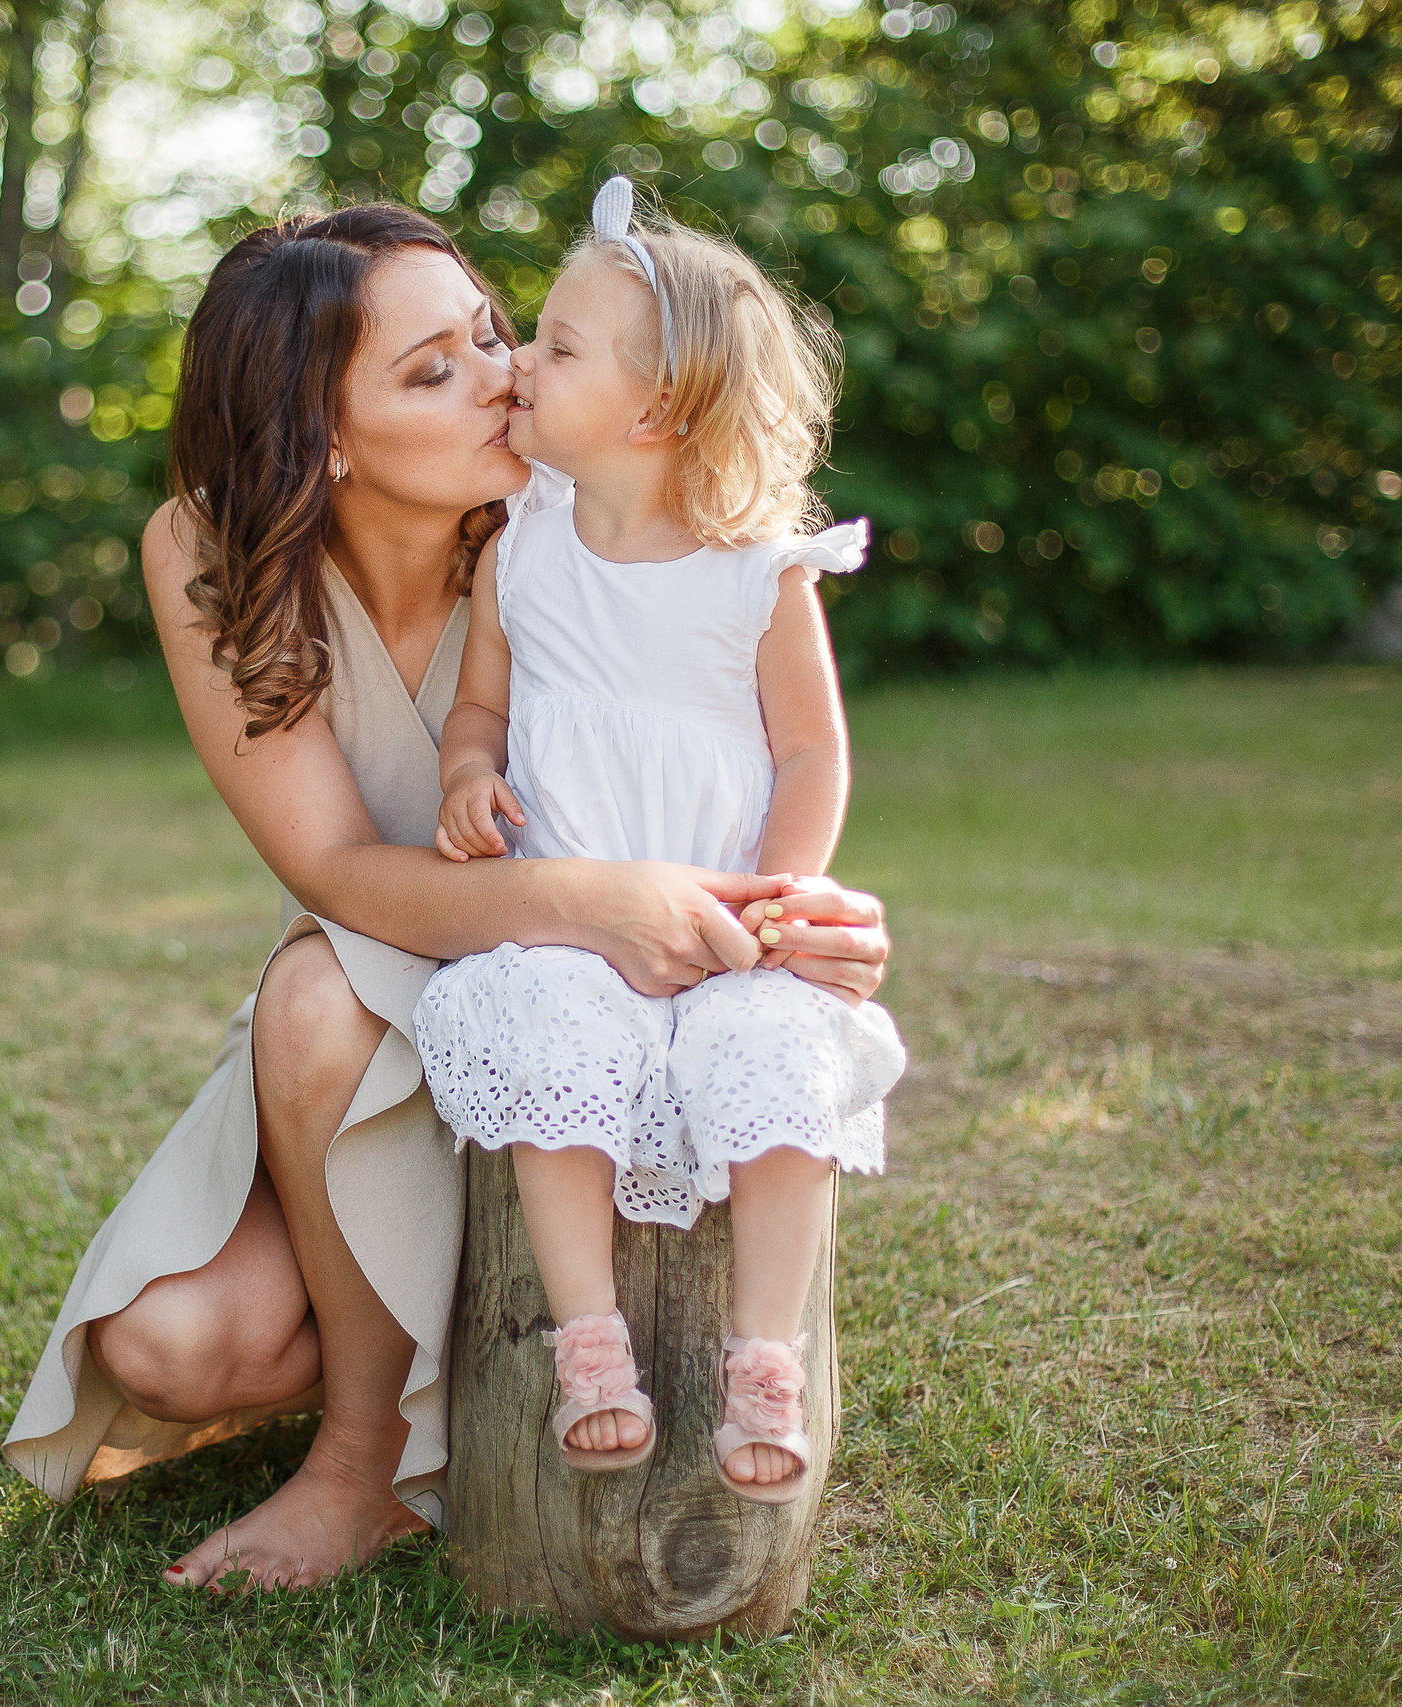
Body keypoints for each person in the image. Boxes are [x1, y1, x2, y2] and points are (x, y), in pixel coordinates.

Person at [0, 201, 895, 1591]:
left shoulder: (566, 509)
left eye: (495, 333)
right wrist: (589, 899)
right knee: (175, 1349)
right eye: (435, 371)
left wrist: (792, 905)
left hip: (592, 983)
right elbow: (335, 875)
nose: (504, 375)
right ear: (323, 438)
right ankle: (420, 1346)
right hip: (403, 964)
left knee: (315, 992)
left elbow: (755, 718)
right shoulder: (210, 550)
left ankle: (367, 1463)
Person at [414, 180, 906, 1501]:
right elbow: (481, 706)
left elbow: (810, 750)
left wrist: (785, 898)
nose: (517, 361)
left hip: (728, 921)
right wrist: (468, 775)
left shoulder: (758, 567)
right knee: (550, 1033)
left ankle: (763, 1357)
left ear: (658, 408)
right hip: (571, 915)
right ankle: (588, 1344)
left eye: (557, 347)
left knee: (774, 1055)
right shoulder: (521, 547)